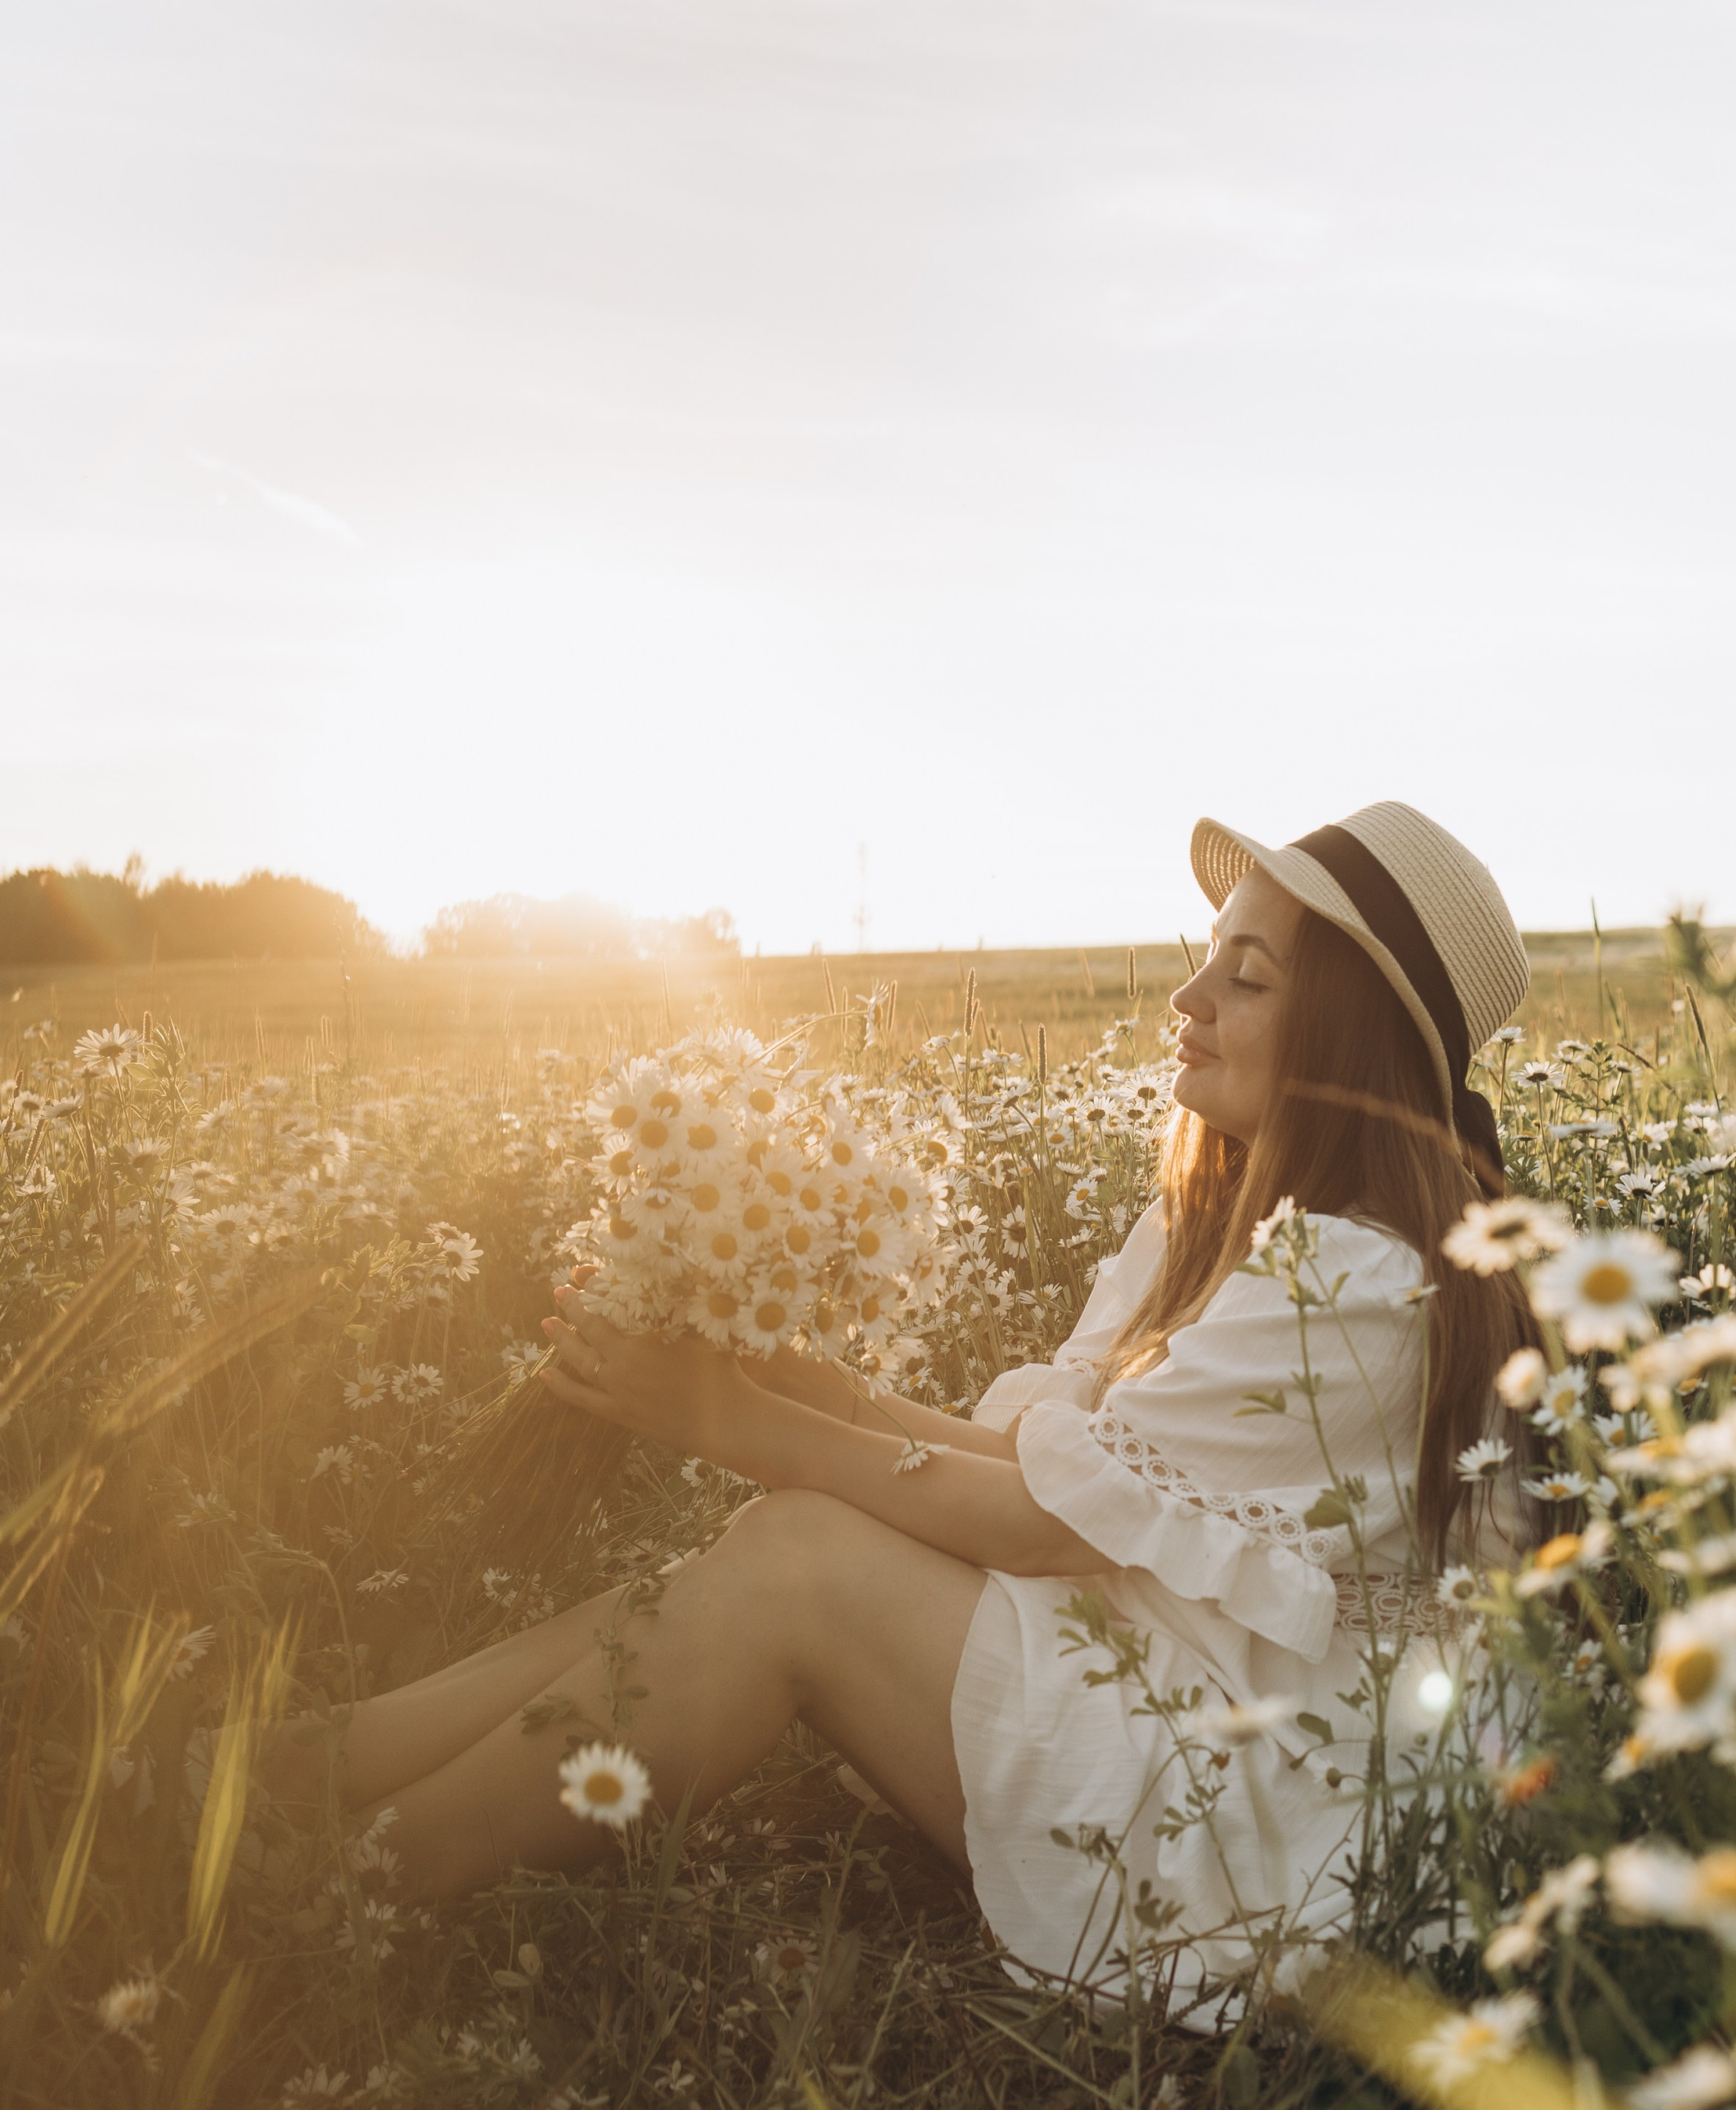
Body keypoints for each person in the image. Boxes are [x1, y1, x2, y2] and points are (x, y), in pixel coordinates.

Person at [301, 801, 1538, 2009]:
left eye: (1248, 978)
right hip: (1172, 1680)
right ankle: (321, 1768)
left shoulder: (1368, 1280)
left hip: (1266, 1812)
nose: (1189, 1001)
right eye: (1203, 960)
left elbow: (1045, 1527)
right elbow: (1050, 1468)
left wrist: (728, 1421)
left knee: (799, 1564)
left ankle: (344, 1888)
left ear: (1346, 1035)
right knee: (789, 1541)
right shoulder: (1213, 1226)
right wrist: (786, 1373)